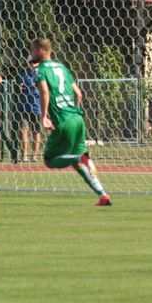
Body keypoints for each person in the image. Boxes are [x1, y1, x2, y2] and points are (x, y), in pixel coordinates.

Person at [31, 38, 112, 206]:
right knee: (77, 163)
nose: (31, 54)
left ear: (39, 51)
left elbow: (44, 92)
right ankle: (103, 195)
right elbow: (79, 94)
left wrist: (44, 116)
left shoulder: (40, 70)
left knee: (49, 160)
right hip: (77, 118)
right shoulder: (63, 67)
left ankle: (79, 157)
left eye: (32, 50)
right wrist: (73, 110)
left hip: (62, 120)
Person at [16, 56, 41, 162]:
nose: (33, 64)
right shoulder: (24, 75)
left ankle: (34, 156)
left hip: (37, 107)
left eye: (35, 62)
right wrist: (21, 86)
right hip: (24, 107)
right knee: (24, 131)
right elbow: (19, 86)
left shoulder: (42, 75)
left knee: (36, 132)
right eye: (31, 62)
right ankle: (24, 155)